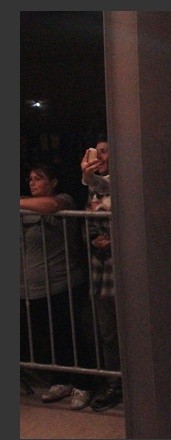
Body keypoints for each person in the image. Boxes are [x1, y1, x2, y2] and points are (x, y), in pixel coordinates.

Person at [20, 161, 96, 410]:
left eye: (39, 178)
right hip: (33, 288)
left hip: (62, 282)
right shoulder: (24, 204)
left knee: (71, 334)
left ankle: (84, 383)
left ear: (53, 182)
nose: (33, 183)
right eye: (30, 179)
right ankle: (62, 379)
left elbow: (51, 206)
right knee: (50, 337)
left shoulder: (64, 199)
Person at [80, 139, 123, 412]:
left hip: (127, 268)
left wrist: (114, 239)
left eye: (105, 151)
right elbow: (86, 221)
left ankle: (141, 383)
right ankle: (114, 384)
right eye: (97, 152)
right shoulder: (93, 189)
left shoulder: (126, 182)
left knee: (135, 330)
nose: (100, 157)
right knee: (108, 333)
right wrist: (94, 238)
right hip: (102, 270)